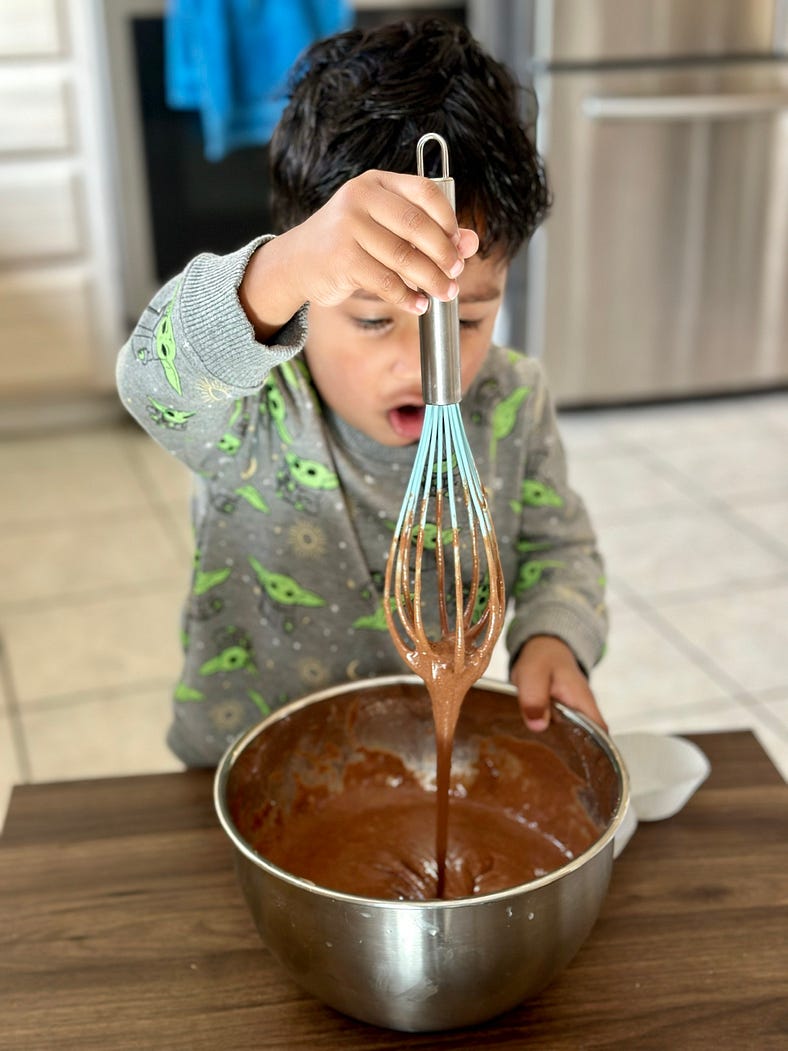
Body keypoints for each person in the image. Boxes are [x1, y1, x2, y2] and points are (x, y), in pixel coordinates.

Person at [117, 17, 608, 767]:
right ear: (309, 291)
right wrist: (275, 274)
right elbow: (150, 383)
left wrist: (553, 634)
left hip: (430, 761)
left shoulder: (513, 402)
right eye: (376, 317)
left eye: (467, 317)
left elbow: (557, 546)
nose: (419, 360)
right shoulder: (250, 408)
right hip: (247, 763)